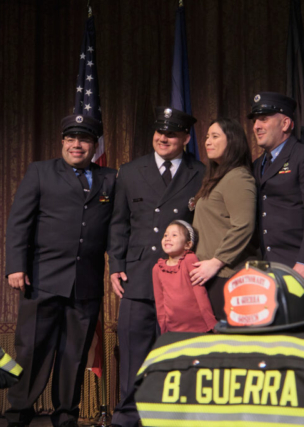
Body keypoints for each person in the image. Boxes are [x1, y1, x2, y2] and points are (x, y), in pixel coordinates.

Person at [4, 114, 116, 427]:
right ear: (62, 142)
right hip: (42, 280)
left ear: (94, 145)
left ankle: (66, 416)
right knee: (33, 351)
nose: (76, 145)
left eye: (83, 139)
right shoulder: (40, 171)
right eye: (71, 139)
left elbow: (115, 228)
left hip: (86, 284)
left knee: (74, 355)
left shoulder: (110, 178)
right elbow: (19, 222)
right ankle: (18, 416)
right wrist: (16, 266)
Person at [108, 106, 205, 427]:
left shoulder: (200, 173)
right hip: (137, 276)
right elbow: (119, 224)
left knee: (179, 352)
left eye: (172, 133)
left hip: (180, 280)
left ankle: (175, 418)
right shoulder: (131, 171)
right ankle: (128, 418)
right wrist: (116, 265)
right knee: (134, 353)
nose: (163, 138)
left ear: (186, 139)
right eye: (159, 132)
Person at [248, 92, 304, 315]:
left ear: (286, 123)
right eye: (255, 120)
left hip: (303, 270)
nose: (257, 126)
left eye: (264, 119)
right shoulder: (257, 164)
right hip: (269, 270)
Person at [188, 118, 258, 320]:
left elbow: (244, 226)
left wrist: (217, 262)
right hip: (211, 275)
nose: (208, 141)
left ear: (232, 141)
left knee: (231, 344)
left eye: (215, 136)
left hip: (228, 275)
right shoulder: (218, 178)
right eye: (207, 137)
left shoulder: (238, 177)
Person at [152, 220, 216, 333]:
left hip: (198, 327)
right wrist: (163, 328)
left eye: (174, 235)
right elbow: (159, 302)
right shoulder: (157, 268)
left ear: (188, 244)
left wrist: (211, 323)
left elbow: (201, 294)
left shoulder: (189, 259)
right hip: (173, 329)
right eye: (165, 235)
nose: (167, 238)